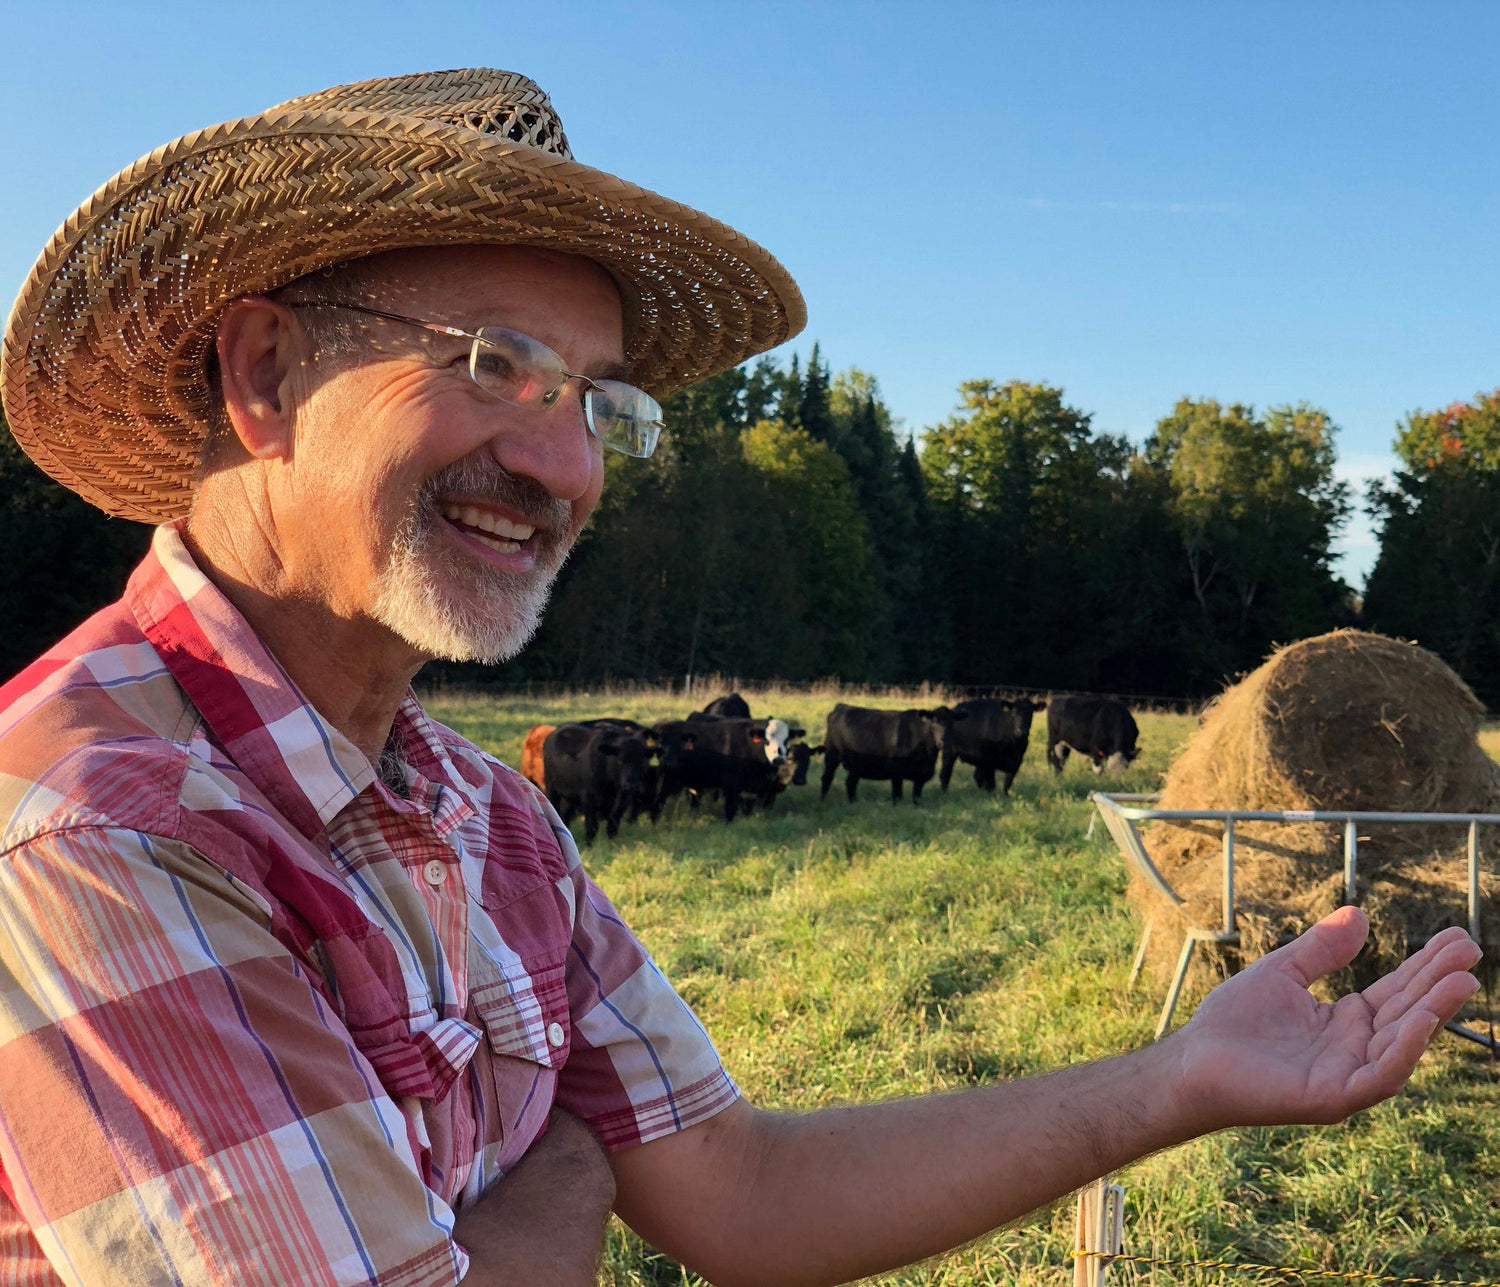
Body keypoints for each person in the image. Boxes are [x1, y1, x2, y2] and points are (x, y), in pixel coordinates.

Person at [0, 68, 1481, 1287]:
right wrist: (565, 1182)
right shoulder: (94, 826)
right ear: (262, 374)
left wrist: (1170, 1082)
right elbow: (642, 1177)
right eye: (494, 361)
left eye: (595, 401)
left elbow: (743, 1188)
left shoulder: (479, 812)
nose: (566, 462)